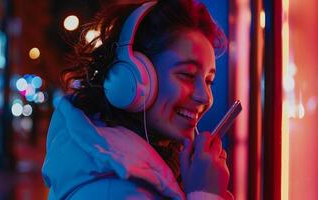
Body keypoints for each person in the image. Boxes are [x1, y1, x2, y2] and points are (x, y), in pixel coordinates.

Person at [42, 0, 233, 199]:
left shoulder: (157, 169)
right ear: (135, 78)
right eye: (187, 75)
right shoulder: (110, 192)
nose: (205, 97)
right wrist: (205, 194)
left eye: (209, 81)